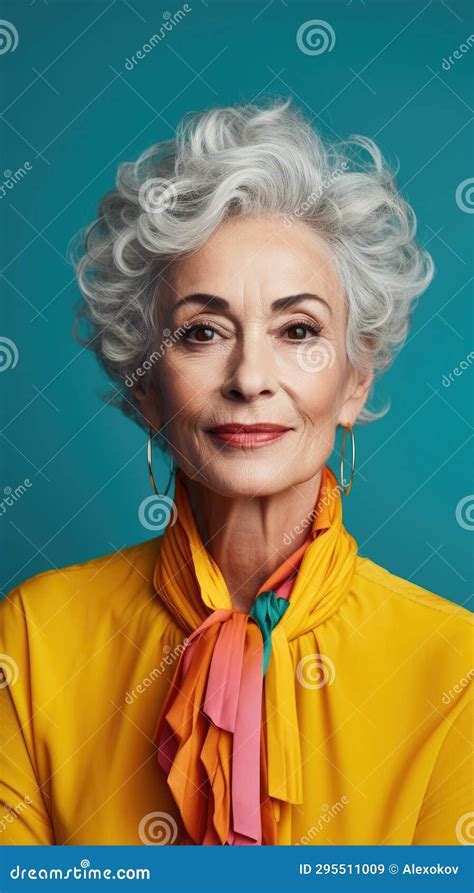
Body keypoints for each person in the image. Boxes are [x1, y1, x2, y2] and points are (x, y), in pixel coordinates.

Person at [1, 98, 472, 846]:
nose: (250, 376)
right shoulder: (31, 638)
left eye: (298, 330)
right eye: (202, 331)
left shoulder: (458, 667)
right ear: (144, 384)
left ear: (355, 381)